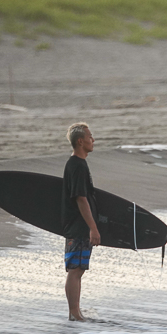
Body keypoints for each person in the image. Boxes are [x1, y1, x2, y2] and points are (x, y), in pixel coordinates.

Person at [62, 122, 100, 322]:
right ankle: (74, 313)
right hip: (79, 227)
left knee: (78, 270)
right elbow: (80, 198)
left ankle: (75, 312)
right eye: (90, 136)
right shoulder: (76, 166)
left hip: (78, 226)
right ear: (80, 141)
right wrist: (93, 228)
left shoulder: (79, 164)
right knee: (75, 270)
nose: (93, 140)